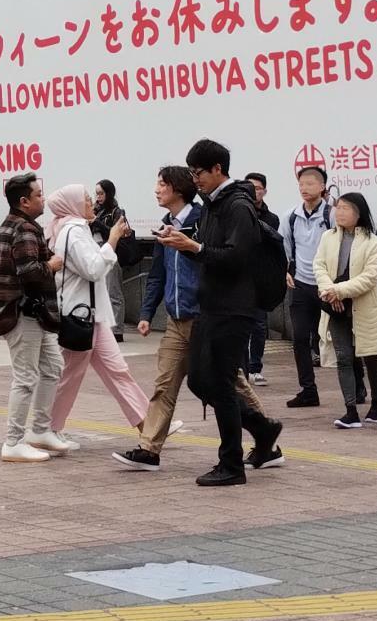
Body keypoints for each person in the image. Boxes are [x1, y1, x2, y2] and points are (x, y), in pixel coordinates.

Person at [115, 165, 269, 472]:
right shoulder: (165, 225)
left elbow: (218, 261)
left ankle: (267, 442)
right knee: (165, 383)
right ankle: (149, 449)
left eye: (161, 184)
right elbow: (158, 274)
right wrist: (146, 313)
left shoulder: (204, 220)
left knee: (232, 383)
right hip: (175, 319)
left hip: (205, 317)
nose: (157, 190)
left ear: (178, 188)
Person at [159, 140, 287, 485]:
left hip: (235, 308)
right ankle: (262, 428)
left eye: (198, 172)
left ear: (217, 169)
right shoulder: (212, 204)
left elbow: (236, 257)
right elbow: (211, 253)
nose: (194, 179)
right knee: (202, 380)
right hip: (212, 305)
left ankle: (231, 464)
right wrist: (184, 245)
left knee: (222, 382)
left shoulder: (238, 205)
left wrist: (194, 247)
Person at [47, 184, 150, 436]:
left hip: (93, 317)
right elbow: (93, 269)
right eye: (85, 198)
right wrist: (113, 238)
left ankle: (150, 425)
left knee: (118, 371)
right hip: (79, 316)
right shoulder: (72, 232)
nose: (91, 202)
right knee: (69, 379)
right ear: (72, 204)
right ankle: (47, 430)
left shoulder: (79, 229)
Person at [0, 172, 70, 463]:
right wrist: (52, 263)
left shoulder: (19, 224)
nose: (43, 199)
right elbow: (30, 272)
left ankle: (39, 430)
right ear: (24, 201)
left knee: (52, 367)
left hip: (31, 313)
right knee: (25, 378)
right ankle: (13, 442)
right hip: (23, 312)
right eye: (38, 195)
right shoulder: (23, 228)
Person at [316, 194, 377, 428]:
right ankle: (350, 410)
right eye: (338, 207)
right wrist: (330, 292)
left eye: (346, 208)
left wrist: (338, 291)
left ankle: (376, 404)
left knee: (370, 356)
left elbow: (370, 277)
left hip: (363, 306)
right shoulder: (328, 237)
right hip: (335, 307)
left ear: (359, 213)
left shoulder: (373, 242)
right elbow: (319, 266)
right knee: (344, 357)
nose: (340, 212)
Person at [281, 165, 334, 409]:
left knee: (342, 339)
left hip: (329, 286)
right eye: (301, 184)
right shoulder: (291, 216)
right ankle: (308, 390)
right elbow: (285, 247)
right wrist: (287, 271)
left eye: (310, 184)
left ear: (323, 187)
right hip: (302, 284)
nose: (304, 188)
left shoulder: (332, 214)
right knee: (300, 338)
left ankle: (356, 384)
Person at [91, 179, 140, 341]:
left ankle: (117, 330)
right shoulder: (96, 210)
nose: (98, 197)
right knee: (101, 292)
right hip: (98, 255)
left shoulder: (117, 212)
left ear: (108, 194)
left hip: (113, 256)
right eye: (96, 193)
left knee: (113, 292)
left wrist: (100, 225)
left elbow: (117, 234)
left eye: (101, 193)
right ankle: (105, 328)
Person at [243, 172, 275, 385]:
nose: (254, 192)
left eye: (258, 188)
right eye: (250, 187)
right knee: (240, 325)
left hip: (261, 278)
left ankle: (256, 367)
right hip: (239, 277)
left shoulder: (272, 219)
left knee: (259, 325)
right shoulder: (238, 212)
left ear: (265, 190)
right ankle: (242, 368)